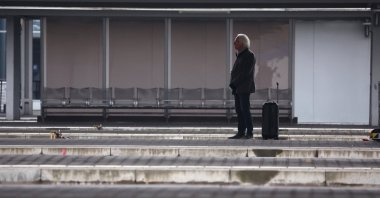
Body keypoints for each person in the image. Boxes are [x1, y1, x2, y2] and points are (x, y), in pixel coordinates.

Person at [228, 34, 256, 139]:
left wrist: (234, 82)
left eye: (236, 41)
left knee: (245, 110)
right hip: (238, 88)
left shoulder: (249, 55)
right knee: (239, 110)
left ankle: (249, 132)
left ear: (243, 43)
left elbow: (245, 73)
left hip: (244, 87)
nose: (234, 43)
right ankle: (241, 132)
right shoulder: (240, 55)